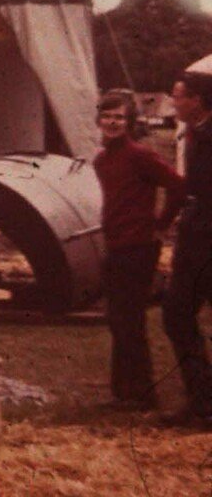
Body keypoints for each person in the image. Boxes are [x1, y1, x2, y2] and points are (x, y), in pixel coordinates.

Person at [92, 89, 185, 410]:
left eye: (119, 117)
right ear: (99, 120)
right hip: (115, 245)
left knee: (130, 321)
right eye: (107, 116)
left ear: (130, 121)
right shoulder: (102, 159)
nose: (112, 123)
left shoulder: (140, 155)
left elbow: (178, 187)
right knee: (117, 320)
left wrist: (161, 223)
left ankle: (144, 394)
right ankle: (123, 392)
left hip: (139, 246)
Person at [161, 70, 212, 425]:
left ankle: (203, 400)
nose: (173, 102)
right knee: (177, 314)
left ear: (197, 100)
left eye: (178, 96)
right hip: (195, 239)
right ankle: (202, 398)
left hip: (204, 242)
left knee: (178, 314)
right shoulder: (193, 133)